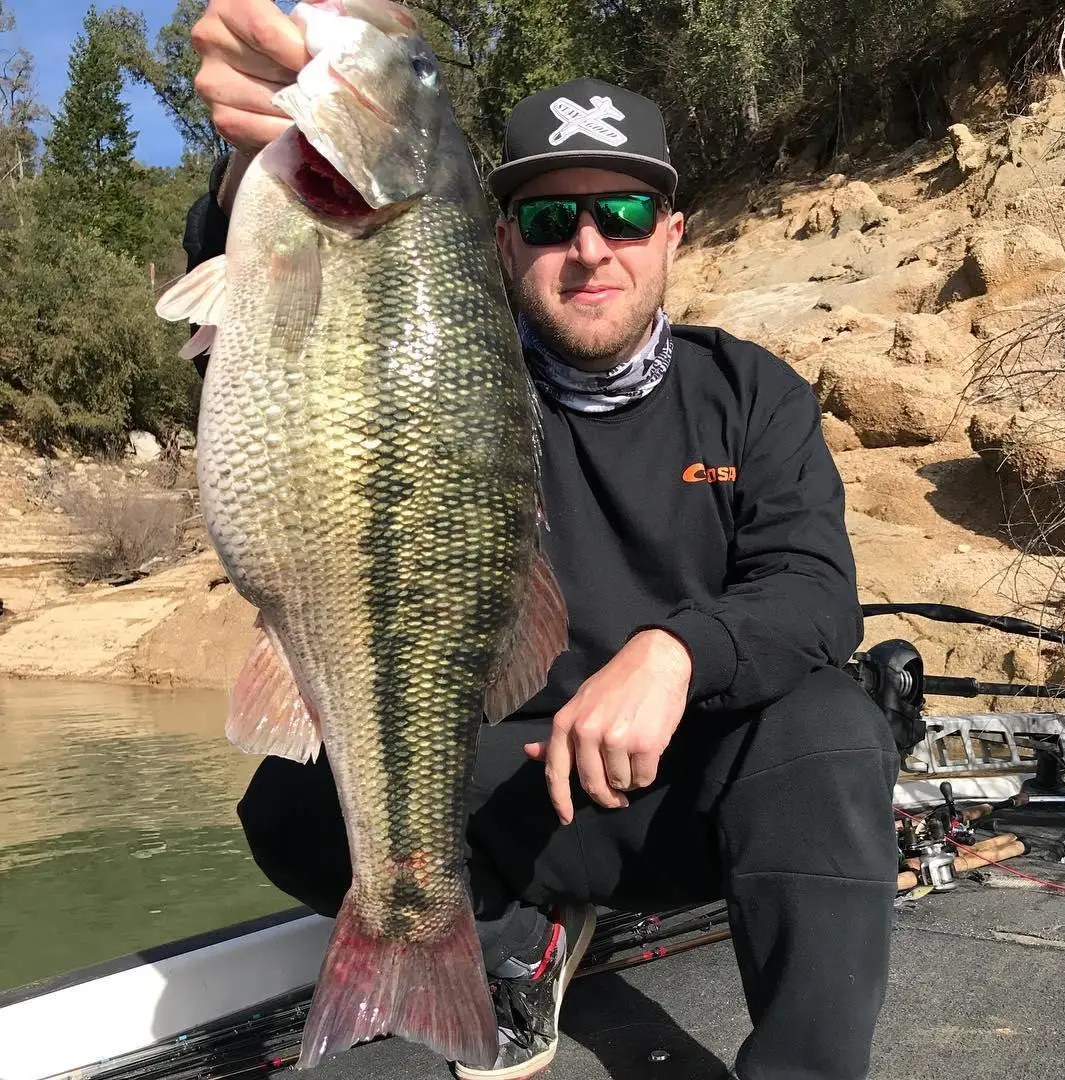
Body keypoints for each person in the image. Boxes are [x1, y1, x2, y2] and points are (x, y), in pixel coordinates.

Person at [186, 3, 901, 1078]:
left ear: (673, 233)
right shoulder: (441, 368)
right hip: (515, 790)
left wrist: (676, 652)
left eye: (624, 212)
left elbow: (814, 592)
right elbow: (285, 337)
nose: (589, 247)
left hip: (699, 806)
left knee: (835, 728)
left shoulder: (752, 393)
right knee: (294, 800)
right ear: (502, 240)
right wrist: (247, 169)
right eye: (551, 217)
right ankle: (517, 945)